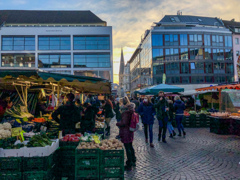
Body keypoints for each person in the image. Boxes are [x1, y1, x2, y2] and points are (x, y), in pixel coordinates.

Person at [116, 103, 136, 171]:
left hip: (126, 132)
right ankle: (133, 160)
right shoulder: (132, 112)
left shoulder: (126, 113)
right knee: (130, 146)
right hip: (130, 132)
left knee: (127, 148)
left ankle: (129, 164)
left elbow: (123, 123)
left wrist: (118, 123)